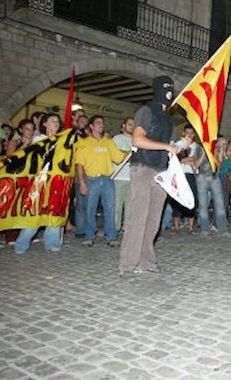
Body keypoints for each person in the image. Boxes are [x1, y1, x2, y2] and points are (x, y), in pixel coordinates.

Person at [119, 75, 185, 275]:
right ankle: (128, 264)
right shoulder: (146, 111)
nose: (169, 93)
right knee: (138, 217)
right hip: (143, 167)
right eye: (166, 89)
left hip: (161, 171)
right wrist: (167, 146)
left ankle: (146, 262)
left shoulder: (169, 120)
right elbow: (138, 140)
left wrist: (180, 146)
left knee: (153, 219)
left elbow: (166, 147)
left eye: (171, 89)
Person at [14, 114, 64, 254]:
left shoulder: (62, 140)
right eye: (52, 120)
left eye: (57, 121)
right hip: (40, 181)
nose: (56, 123)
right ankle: (21, 244)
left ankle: (52, 242)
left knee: (54, 212)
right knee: (34, 214)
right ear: (45, 124)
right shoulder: (39, 139)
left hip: (56, 180)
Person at [76, 115, 126, 247]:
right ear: (91, 126)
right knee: (90, 209)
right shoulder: (84, 143)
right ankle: (89, 235)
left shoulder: (108, 142)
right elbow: (79, 165)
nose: (101, 125)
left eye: (102, 123)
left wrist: (134, 149)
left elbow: (120, 157)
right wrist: (82, 182)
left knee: (110, 208)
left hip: (107, 180)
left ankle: (111, 236)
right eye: (98, 123)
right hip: (91, 179)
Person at [195, 143, 229, 235]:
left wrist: (217, 153)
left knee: (220, 204)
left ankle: (223, 229)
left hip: (214, 177)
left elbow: (220, 165)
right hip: (202, 178)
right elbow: (196, 164)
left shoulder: (216, 147)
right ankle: (205, 229)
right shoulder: (199, 147)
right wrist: (203, 153)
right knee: (203, 205)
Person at [171, 125, 199, 232]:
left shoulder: (197, 147)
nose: (189, 135)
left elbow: (195, 161)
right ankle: (176, 226)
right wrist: (187, 159)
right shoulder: (178, 144)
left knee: (192, 198)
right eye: (187, 132)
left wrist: (184, 159)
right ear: (183, 133)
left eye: (192, 133)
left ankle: (191, 227)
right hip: (179, 174)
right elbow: (175, 159)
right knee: (177, 198)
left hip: (191, 174)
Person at [112, 117, 134, 232]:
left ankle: (127, 228)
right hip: (119, 176)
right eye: (130, 124)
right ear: (123, 126)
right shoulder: (116, 139)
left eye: (133, 125)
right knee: (117, 206)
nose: (132, 126)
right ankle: (115, 228)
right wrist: (132, 153)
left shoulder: (137, 140)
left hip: (132, 177)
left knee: (130, 206)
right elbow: (120, 157)